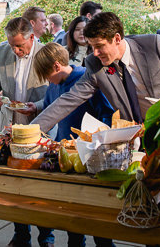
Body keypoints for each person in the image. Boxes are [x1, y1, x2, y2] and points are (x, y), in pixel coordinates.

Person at [32, 12, 160, 132]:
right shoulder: (94, 64)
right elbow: (68, 100)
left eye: (99, 46)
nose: (94, 53)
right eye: (92, 47)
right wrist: (29, 130)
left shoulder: (154, 44)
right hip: (133, 136)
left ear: (117, 39)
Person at [33, 43, 115, 247]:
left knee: (95, 212)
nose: (46, 81)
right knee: (71, 208)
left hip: (90, 152)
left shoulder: (86, 78)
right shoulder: (53, 86)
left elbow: (107, 112)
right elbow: (51, 111)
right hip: (65, 152)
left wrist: (96, 140)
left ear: (57, 66)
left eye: (47, 75)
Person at [0, 17, 53, 247]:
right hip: (9, 128)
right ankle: (21, 235)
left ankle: (46, 237)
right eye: (11, 45)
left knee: (41, 188)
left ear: (32, 37)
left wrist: (39, 106)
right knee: (14, 185)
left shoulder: (48, 53)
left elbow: (57, 93)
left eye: (20, 46)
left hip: (39, 128)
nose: (15, 50)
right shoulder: (3, 52)